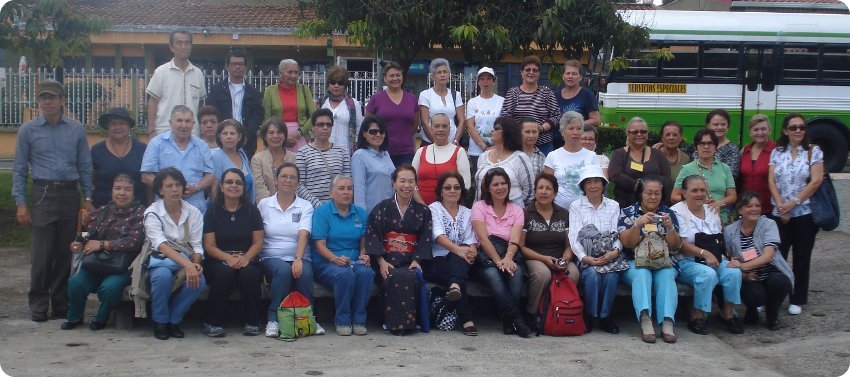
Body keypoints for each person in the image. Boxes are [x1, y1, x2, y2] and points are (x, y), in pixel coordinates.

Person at [13, 79, 94, 322]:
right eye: (43, 98)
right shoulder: (28, 130)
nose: (47, 102)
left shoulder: (76, 129)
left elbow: (85, 166)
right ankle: (38, 304)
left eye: (52, 97)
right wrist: (20, 202)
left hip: (70, 194)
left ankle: (60, 304)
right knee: (41, 256)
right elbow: (19, 170)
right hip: (43, 193)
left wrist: (88, 197)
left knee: (64, 253)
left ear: (62, 100)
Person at [63, 174, 145, 331]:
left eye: (127, 189)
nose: (121, 193)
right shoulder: (102, 211)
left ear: (134, 193)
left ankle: (101, 318)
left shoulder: (141, 214)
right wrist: (78, 244)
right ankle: (74, 316)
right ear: (111, 191)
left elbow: (134, 242)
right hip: (96, 262)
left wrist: (103, 244)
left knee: (110, 288)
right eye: (117, 188)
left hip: (122, 265)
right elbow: (87, 236)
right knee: (75, 283)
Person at [671, 175, 743, 335]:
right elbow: (679, 244)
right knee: (707, 274)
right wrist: (704, 253)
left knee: (733, 272)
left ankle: (727, 313)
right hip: (687, 260)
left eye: (702, 190)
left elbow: (719, 237)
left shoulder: (711, 210)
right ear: (684, 192)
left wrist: (728, 256)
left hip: (714, 257)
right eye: (694, 190)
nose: (699, 194)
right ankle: (696, 314)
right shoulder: (676, 212)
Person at [365, 165, 432, 335]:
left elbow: (425, 238)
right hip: (386, 258)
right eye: (402, 181)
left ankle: (407, 323)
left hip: (412, 258)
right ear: (393, 183)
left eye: (411, 181)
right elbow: (372, 235)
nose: (406, 185)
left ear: (415, 184)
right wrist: (380, 261)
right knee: (391, 273)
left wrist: (417, 261)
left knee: (411, 274)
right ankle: (392, 322)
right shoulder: (381, 208)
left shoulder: (423, 211)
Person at [767, 113, 823, 316]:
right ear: (785, 131)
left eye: (801, 127)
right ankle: (775, 295)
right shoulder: (777, 152)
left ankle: (797, 298)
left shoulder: (813, 152)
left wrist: (793, 203)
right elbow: (771, 180)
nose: (798, 131)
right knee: (776, 255)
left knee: (801, 257)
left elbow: (816, 181)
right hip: (779, 211)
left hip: (804, 213)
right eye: (793, 127)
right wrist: (781, 204)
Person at [618, 175, 682, 343]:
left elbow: (675, 246)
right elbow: (626, 243)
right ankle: (645, 320)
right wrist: (637, 225)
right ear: (641, 193)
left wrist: (669, 227)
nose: (653, 197)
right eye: (648, 193)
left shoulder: (668, 213)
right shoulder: (628, 212)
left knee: (667, 275)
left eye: (657, 193)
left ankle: (667, 322)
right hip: (634, 261)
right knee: (642, 274)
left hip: (663, 261)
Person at [201, 168, 264, 337]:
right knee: (224, 273)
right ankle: (213, 322)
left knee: (250, 274)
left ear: (244, 187)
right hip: (218, 258)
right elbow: (209, 246)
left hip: (247, 256)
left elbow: (258, 242)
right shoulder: (212, 212)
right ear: (221, 186)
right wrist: (228, 258)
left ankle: (253, 321)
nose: (233, 186)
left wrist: (245, 258)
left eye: (238, 182)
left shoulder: (252, 210)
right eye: (229, 182)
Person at [144, 168, 206, 340]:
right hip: (160, 260)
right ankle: (160, 321)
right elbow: (160, 245)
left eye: (178, 185)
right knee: (162, 277)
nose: (174, 189)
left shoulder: (193, 212)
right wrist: (188, 265)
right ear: (160, 190)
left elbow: (196, 245)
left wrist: (195, 265)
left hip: (187, 259)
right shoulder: (152, 212)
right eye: (169, 186)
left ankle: (174, 320)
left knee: (199, 282)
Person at [256, 163, 317, 337]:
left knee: (304, 272)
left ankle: (309, 318)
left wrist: (298, 259)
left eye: (292, 177)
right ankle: (273, 319)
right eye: (284, 176)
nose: (288, 180)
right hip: (270, 256)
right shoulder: (264, 204)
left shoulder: (305, 206)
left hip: (298, 256)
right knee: (283, 271)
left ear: (298, 182)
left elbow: (303, 234)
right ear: (276, 180)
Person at [471, 168, 532, 338]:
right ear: (488, 188)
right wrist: (499, 261)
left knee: (517, 272)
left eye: (503, 183)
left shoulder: (517, 209)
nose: (500, 187)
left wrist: (508, 258)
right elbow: (483, 239)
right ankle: (516, 319)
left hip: (509, 255)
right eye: (495, 184)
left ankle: (507, 320)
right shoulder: (479, 207)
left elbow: (515, 239)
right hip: (485, 258)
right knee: (492, 274)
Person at [311, 175, 374, 336]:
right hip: (326, 262)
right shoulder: (322, 212)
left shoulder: (360, 213)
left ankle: (359, 319)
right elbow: (319, 245)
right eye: (341, 188)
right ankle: (342, 319)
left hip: (353, 261)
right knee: (344, 275)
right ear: (331, 193)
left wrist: (363, 254)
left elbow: (363, 240)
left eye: (349, 188)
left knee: (366, 273)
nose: (346, 192)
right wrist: (334, 259)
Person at [724, 192, 793, 330]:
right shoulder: (730, 230)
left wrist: (743, 266)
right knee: (753, 295)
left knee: (780, 283)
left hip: (771, 271)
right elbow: (729, 257)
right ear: (740, 210)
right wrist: (743, 274)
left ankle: (772, 314)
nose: (754, 209)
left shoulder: (769, 224)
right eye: (749, 206)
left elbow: (768, 256)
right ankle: (752, 309)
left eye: (758, 206)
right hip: (749, 276)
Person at [422, 171, 479, 336]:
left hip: (461, 261)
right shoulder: (434, 209)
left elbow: (471, 239)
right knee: (458, 264)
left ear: (461, 190)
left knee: (458, 259)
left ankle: (455, 288)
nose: (452, 191)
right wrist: (461, 250)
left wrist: (471, 251)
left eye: (456, 187)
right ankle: (466, 318)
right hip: (437, 261)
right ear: (441, 191)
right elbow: (438, 236)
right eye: (448, 188)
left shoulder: (467, 212)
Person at [569, 165, 624, 334]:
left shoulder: (614, 205)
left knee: (611, 276)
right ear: (583, 186)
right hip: (587, 256)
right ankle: (591, 315)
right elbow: (573, 236)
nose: (593, 186)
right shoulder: (576, 206)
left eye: (597, 181)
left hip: (610, 255)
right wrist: (585, 258)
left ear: (603, 184)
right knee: (592, 274)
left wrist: (614, 252)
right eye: (589, 182)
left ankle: (605, 316)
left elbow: (618, 233)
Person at [520, 173, 579, 326]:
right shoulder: (526, 213)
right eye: (540, 188)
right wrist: (543, 258)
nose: (544, 192)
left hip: (559, 256)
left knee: (572, 273)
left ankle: (560, 311)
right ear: (535, 191)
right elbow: (521, 246)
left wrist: (566, 258)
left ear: (555, 193)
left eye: (548, 189)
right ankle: (531, 313)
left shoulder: (563, 213)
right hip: (534, 257)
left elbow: (569, 243)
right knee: (542, 274)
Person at [141, 105, 214, 214]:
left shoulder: (202, 146)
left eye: (187, 121)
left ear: (193, 124)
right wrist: (169, 188)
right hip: (164, 209)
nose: (184, 125)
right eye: (179, 121)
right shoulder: (156, 144)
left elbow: (210, 176)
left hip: (195, 209)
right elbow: (146, 176)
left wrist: (196, 187)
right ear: (170, 123)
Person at [205, 48, 264, 158]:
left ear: (245, 67)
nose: (238, 67)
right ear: (227, 66)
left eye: (241, 64)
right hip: (222, 139)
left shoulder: (253, 92)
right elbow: (211, 113)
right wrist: (221, 133)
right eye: (234, 64)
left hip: (246, 141)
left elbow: (257, 115)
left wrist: (246, 135)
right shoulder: (217, 90)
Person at [146, 30, 206, 137]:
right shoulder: (161, 72)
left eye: (187, 43)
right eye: (179, 43)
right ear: (171, 47)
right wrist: (151, 129)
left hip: (192, 133)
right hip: (165, 131)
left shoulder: (198, 73)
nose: (183, 46)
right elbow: (153, 101)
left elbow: (201, 105)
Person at [500, 55, 561, 155]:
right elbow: (505, 116)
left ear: (539, 73)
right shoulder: (513, 93)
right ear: (521, 72)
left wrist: (542, 128)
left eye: (535, 70)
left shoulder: (547, 92)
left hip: (543, 144)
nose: (531, 72)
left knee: (543, 170)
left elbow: (556, 114)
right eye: (527, 70)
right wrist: (520, 130)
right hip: (518, 143)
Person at [673, 129, 737, 222]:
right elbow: (674, 196)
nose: (706, 147)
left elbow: (732, 196)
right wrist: (698, 200)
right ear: (696, 147)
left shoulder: (724, 168)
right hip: (696, 220)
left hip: (721, 219)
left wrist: (719, 203)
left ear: (715, 146)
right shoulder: (687, 169)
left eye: (710, 143)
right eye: (702, 143)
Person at [609, 117, 672, 208]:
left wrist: (650, 188)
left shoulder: (658, 154)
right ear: (628, 133)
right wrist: (639, 186)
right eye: (635, 132)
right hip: (626, 204)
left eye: (643, 132)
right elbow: (616, 175)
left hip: (655, 205)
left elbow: (667, 180)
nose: (639, 134)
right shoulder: (619, 154)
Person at [365, 61, 419, 167]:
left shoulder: (411, 98)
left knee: (404, 182)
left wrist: (404, 137)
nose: (395, 78)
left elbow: (415, 124)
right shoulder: (376, 98)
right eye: (391, 76)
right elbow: (368, 125)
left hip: (406, 152)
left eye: (398, 75)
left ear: (402, 77)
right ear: (385, 78)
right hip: (381, 151)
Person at [90, 107, 147, 207]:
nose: (117, 127)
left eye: (122, 123)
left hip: (138, 211)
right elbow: (91, 181)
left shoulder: (142, 149)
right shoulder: (96, 150)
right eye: (113, 124)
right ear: (107, 127)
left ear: (129, 126)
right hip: (103, 210)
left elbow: (148, 183)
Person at [296, 109, 351, 208]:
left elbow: (348, 181)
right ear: (312, 127)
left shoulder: (342, 152)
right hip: (312, 209)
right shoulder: (303, 153)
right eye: (320, 125)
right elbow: (299, 185)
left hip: (338, 209)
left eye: (328, 125)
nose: (325, 128)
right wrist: (319, 205)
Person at [543, 111, 599, 209]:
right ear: (562, 132)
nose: (575, 132)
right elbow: (547, 185)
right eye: (571, 128)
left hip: (586, 209)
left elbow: (597, 185)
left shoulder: (592, 156)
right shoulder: (552, 156)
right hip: (559, 210)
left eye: (579, 128)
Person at [412, 113, 471, 205]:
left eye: (444, 126)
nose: (441, 129)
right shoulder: (420, 151)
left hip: (449, 208)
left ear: (449, 129)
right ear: (431, 128)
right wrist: (422, 205)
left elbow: (466, 184)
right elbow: (412, 182)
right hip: (421, 208)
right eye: (436, 126)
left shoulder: (459, 152)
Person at [474, 117, 534, 206]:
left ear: (508, 132)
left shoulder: (520, 158)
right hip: (483, 212)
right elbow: (478, 187)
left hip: (512, 214)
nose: (492, 131)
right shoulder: (483, 157)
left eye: (496, 128)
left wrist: (512, 207)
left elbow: (529, 192)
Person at [263, 59, 317, 153]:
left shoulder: (304, 89)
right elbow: (266, 119)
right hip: (277, 136)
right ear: (280, 73)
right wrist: (282, 136)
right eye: (290, 72)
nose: (294, 75)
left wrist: (299, 133)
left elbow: (314, 115)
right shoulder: (270, 91)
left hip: (300, 136)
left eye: (296, 72)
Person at [465, 67, 504, 185]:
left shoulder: (501, 101)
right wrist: (484, 148)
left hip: (497, 149)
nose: (485, 82)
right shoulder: (472, 102)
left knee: (497, 180)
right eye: (482, 79)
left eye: (488, 78)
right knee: (480, 181)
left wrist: (495, 147)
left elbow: (503, 126)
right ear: (478, 82)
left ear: (493, 81)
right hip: (477, 151)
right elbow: (470, 126)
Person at [351, 115, 395, 213]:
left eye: (381, 131)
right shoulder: (359, 156)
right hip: (371, 214)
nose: (378, 134)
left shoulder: (386, 154)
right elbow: (359, 191)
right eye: (373, 132)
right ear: (364, 134)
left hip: (389, 212)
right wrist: (362, 216)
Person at [554, 60, 600, 149]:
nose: (570, 76)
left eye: (574, 74)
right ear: (563, 76)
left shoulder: (587, 95)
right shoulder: (555, 95)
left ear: (580, 77)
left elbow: (596, 120)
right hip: (556, 143)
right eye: (568, 73)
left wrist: (574, 127)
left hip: (578, 144)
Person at [419, 58, 464, 146]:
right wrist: (437, 143)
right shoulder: (425, 95)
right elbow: (424, 122)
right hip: (430, 143)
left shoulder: (456, 95)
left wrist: (455, 141)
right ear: (433, 76)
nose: (442, 75)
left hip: (452, 143)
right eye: (439, 72)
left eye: (445, 72)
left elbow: (461, 120)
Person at [251, 118, 297, 204]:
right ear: (265, 136)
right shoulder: (257, 160)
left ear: (284, 136)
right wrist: (274, 208)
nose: (275, 136)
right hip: (266, 209)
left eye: (279, 132)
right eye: (271, 133)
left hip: (293, 207)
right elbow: (260, 190)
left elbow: (298, 187)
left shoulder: (295, 158)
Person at [321, 65, 364, 155]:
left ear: (345, 85)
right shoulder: (322, 103)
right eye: (333, 82)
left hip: (346, 152)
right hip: (324, 151)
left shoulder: (354, 104)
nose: (336, 85)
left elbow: (359, 129)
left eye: (340, 83)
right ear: (328, 84)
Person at [210, 119, 255, 204]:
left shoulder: (242, 154)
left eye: (232, 133)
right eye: (225, 134)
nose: (228, 137)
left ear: (239, 137)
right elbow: (213, 190)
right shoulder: (216, 156)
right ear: (220, 137)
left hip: (245, 208)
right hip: (224, 210)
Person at [739, 114, 775, 215]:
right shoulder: (745, 151)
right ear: (750, 132)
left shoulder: (776, 151)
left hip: (768, 208)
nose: (760, 132)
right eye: (755, 130)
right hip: (746, 206)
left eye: (763, 129)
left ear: (769, 130)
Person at [700, 109, 740, 178]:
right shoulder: (698, 145)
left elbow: (730, 175)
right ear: (708, 125)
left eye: (723, 124)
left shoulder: (732, 149)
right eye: (716, 124)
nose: (720, 127)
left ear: (728, 126)